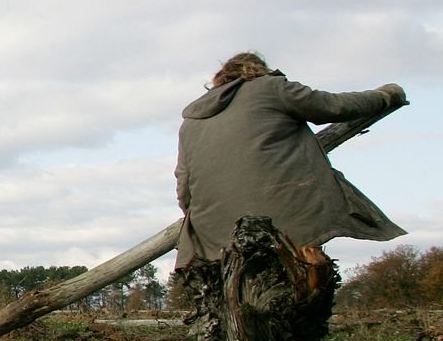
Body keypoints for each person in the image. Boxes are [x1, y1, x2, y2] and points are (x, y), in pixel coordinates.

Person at [174, 52, 407, 270]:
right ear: (257, 70)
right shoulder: (270, 87)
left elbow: (183, 185)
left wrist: (195, 218)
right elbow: (334, 106)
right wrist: (385, 96)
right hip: (284, 215)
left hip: (215, 233)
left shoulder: (191, 122)